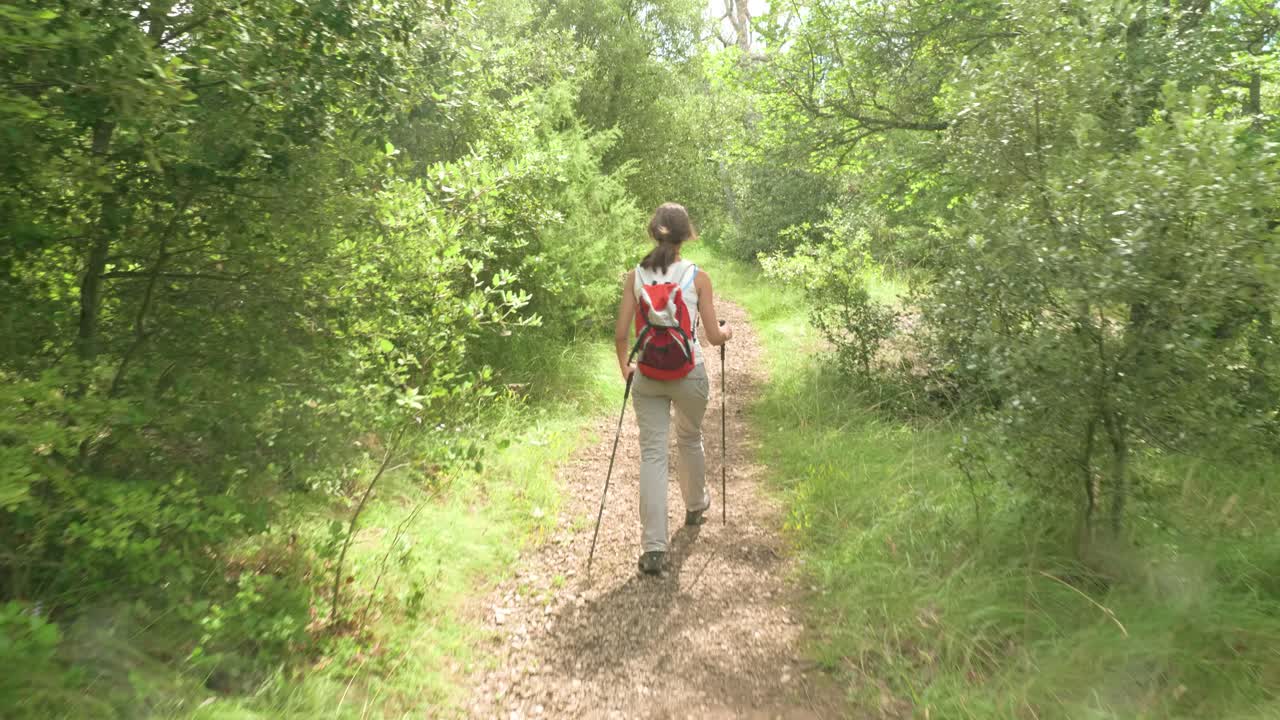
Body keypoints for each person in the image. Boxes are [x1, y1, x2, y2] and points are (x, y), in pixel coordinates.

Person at [613, 203, 733, 576]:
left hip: (648, 375)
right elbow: (712, 337)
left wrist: (626, 369)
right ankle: (695, 506)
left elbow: (620, 335)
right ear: (687, 236)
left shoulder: (636, 276)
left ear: (653, 232)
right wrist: (728, 332)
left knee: (652, 455)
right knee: (690, 437)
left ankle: (653, 549)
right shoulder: (698, 277)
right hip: (689, 373)